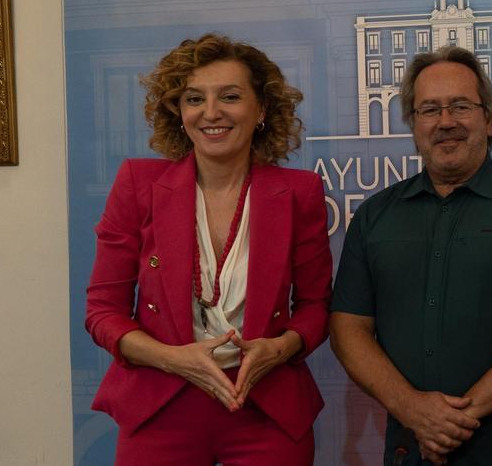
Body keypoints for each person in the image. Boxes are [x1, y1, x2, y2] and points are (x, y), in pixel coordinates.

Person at [330, 46, 492, 465]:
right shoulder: (374, 217)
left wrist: (451, 420)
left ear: (488, 119)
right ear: (413, 125)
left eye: (460, 106)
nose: (445, 121)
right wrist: (414, 411)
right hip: (412, 450)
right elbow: (347, 330)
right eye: (429, 109)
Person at [84, 33, 332, 465]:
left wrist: (281, 348)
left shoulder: (299, 191)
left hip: (265, 407)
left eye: (230, 96)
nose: (211, 113)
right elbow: (102, 311)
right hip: (160, 404)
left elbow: (315, 306)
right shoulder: (137, 185)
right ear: (179, 113)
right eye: (194, 99)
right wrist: (173, 359)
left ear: (262, 110)